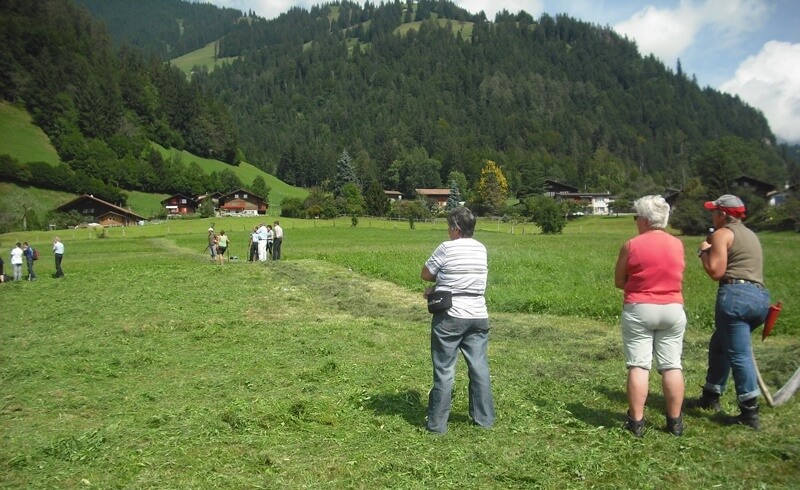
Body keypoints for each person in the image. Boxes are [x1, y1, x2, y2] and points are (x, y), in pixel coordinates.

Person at [688, 194, 770, 430]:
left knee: (739, 354)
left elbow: (715, 271)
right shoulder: (751, 235)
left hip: (735, 297)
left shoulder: (722, 234)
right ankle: (711, 395)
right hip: (760, 298)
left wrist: (704, 251)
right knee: (719, 345)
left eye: (714, 212)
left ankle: (749, 412)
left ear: (723, 215)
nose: (712, 216)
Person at [614, 195, 686, 437]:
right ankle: (674, 422)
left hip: (640, 308)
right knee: (672, 365)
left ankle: (636, 423)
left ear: (644, 220)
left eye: (636, 217)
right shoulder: (678, 244)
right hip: (673, 308)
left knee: (638, 365)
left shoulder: (631, 245)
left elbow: (619, 281)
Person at [421, 207, 494, 434]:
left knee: (444, 370)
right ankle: (484, 420)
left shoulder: (446, 248)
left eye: (449, 227)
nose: (447, 231)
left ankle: (437, 425)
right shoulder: (481, 249)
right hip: (478, 314)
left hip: (451, 316)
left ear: (456, 228)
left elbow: (425, 273)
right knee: (479, 367)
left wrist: (437, 284)